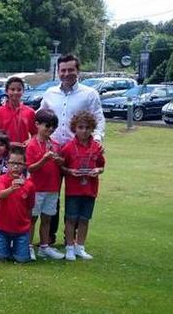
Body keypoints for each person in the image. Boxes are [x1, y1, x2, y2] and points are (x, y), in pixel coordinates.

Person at [39, 54, 106, 244]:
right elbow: (41, 116)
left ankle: (73, 238)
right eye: (63, 70)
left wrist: (97, 141)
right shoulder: (50, 93)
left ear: (78, 71)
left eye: (71, 70)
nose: (67, 73)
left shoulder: (89, 93)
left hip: (78, 152)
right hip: (52, 151)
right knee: (52, 194)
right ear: (58, 71)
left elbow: (99, 119)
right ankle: (49, 236)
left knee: (77, 193)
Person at [59, 110, 105, 261]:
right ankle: (69, 247)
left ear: (92, 128)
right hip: (73, 190)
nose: (84, 131)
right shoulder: (68, 147)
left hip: (90, 189)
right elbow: (61, 167)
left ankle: (80, 247)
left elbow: (101, 166)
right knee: (71, 219)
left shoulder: (97, 147)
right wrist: (69, 171)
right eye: (80, 127)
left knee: (85, 219)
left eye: (87, 127)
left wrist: (97, 170)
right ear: (74, 128)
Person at [26, 109, 65, 261]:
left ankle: (44, 247)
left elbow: (61, 163)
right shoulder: (32, 145)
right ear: (37, 124)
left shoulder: (55, 144)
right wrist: (44, 159)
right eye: (47, 125)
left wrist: (59, 160)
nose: (50, 129)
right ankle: (28, 246)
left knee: (47, 218)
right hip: (36, 188)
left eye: (53, 126)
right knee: (32, 218)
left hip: (52, 187)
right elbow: (30, 168)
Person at [0, 148, 35, 263]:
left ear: (24, 165)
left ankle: (19, 249)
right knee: (1, 257)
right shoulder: (0, 179)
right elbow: (1, 195)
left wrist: (27, 224)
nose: (15, 167)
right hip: (2, 228)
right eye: (12, 163)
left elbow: (30, 206)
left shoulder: (29, 185)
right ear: (7, 164)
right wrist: (11, 188)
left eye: (19, 164)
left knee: (22, 259)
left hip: (21, 230)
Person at [0, 76, 37, 149]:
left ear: (23, 91)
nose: (16, 92)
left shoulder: (30, 112)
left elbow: (36, 135)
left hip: (22, 154)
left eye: (19, 90)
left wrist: (30, 141)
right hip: (3, 154)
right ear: (6, 91)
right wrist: (4, 145)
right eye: (12, 89)